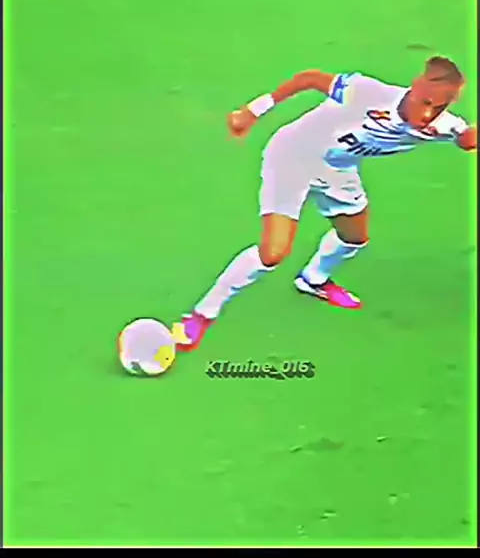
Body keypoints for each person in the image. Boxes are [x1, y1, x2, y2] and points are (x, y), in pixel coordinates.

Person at [172, 56, 477, 351]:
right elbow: (309, 79)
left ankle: (313, 280)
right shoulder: (366, 92)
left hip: (338, 168)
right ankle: (201, 315)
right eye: (425, 102)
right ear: (416, 85)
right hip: (293, 155)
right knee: (273, 252)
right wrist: (252, 111)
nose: (427, 115)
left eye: (439, 107)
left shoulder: (444, 126)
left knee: (354, 238)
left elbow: (466, 138)